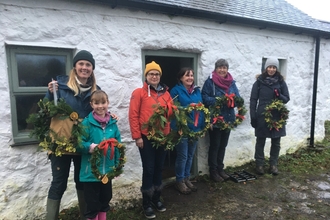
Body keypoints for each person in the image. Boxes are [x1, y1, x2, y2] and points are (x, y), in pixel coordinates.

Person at [45, 50, 99, 220]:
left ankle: (85, 217)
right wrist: (49, 94)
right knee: (58, 184)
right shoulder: (59, 87)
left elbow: (99, 112)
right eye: (81, 64)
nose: (84, 67)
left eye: (88, 65)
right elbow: (46, 110)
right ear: (75, 66)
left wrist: (109, 116)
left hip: (83, 144)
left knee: (82, 182)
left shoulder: (96, 90)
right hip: (61, 143)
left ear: (92, 68)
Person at [129, 61, 171, 219]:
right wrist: (137, 136)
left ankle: (156, 198)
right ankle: (146, 202)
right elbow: (133, 115)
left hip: (162, 137)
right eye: (151, 74)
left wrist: (169, 133)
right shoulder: (139, 93)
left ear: (160, 76)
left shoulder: (166, 94)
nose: (154, 76)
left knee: (159, 167)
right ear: (146, 76)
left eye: (157, 74)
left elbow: (169, 115)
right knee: (149, 168)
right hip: (146, 138)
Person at [79, 90, 121, 220]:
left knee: (105, 200)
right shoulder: (86, 123)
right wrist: (91, 147)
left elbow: (118, 145)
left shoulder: (112, 124)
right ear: (92, 104)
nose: (100, 106)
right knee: (92, 205)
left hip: (107, 172)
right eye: (96, 103)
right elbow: (79, 143)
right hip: (90, 173)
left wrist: (117, 166)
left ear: (107, 103)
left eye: (103, 102)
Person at [202, 59, 241, 182]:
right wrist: (219, 100)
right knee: (215, 145)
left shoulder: (231, 83)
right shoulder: (210, 82)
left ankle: (220, 169)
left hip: (228, 119)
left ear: (227, 69)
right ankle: (213, 171)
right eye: (220, 67)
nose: (222, 70)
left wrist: (232, 101)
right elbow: (204, 97)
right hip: (216, 119)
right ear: (216, 69)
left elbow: (238, 98)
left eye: (224, 67)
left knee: (223, 145)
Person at [250, 57, 290, 175]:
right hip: (262, 115)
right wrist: (253, 116)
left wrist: (279, 96)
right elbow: (253, 100)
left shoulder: (281, 82)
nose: (271, 69)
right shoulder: (258, 83)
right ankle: (259, 165)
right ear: (266, 68)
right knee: (260, 140)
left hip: (277, 116)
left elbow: (286, 98)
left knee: (276, 141)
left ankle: (273, 165)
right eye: (269, 67)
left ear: (276, 69)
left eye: (274, 67)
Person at [170, 67, 205, 194]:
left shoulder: (196, 91)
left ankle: (186, 178)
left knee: (190, 155)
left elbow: (202, 108)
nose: (190, 78)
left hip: (195, 128)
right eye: (187, 75)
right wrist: (187, 108)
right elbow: (173, 109)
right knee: (183, 156)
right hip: (182, 128)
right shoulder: (175, 91)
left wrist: (203, 125)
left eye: (191, 75)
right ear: (181, 78)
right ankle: (179, 181)